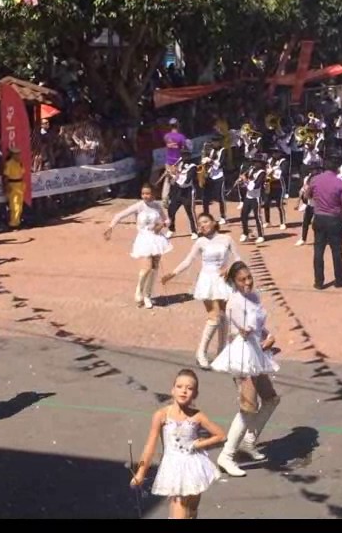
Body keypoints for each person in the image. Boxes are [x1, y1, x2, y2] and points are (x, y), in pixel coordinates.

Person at [210, 261, 280, 477]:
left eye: (249, 277)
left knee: (271, 399)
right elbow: (244, 331)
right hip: (242, 355)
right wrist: (262, 341)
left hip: (255, 352)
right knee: (248, 406)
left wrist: (269, 335)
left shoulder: (253, 297)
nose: (248, 282)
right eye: (242, 279)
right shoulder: (234, 303)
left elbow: (258, 325)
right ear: (234, 282)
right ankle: (227, 455)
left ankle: (249, 441)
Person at [130, 369, 227, 519]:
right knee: (179, 510)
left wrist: (198, 445)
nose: (184, 391)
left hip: (194, 466)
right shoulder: (161, 415)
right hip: (174, 469)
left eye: (189, 388)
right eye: (180, 386)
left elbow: (221, 435)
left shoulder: (197, 416)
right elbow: (149, 446)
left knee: (192, 508)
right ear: (173, 390)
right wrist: (141, 473)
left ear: (195, 394)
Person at [161, 213, 241, 369]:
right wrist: (172, 274)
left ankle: (221, 352)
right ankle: (201, 352)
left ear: (213, 222)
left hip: (223, 280)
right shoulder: (200, 242)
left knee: (224, 315)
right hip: (207, 280)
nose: (202, 225)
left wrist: (230, 269)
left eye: (205, 222)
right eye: (199, 224)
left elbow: (238, 258)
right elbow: (188, 260)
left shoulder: (227, 239)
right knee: (214, 316)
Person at [105, 183, 172, 309]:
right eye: (143, 194)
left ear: (153, 194)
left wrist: (163, 224)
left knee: (154, 268)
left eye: (148, 193)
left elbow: (167, 220)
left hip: (157, 238)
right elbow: (119, 215)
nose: (145, 196)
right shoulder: (138, 206)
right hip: (144, 239)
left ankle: (148, 295)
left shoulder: (157, 206)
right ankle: (139, 290)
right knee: (146, 268)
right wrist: (110, 227)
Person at [302, 156, 342, 289]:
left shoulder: (315, 180)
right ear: (336, 168)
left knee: (318, 251)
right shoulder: (339, 183)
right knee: (337, 251)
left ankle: (319, 282)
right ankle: (339, 280)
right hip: (334, 219)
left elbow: (307, 196)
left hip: (319, 217)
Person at [3, 145, 26, 229]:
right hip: (12, 185)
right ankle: (13, 224)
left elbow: (22, 172)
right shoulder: (9, 163)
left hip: (19, 185)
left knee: (19, 205)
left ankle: (17, 222)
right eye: (16, 154)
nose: (18, 155)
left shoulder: (19, 162)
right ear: (12, 155)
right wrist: (6, 186)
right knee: (14, 205)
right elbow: (6, 176)